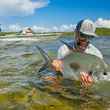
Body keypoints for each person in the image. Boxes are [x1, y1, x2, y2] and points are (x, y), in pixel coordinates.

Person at [52, 19, 104, 87]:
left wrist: (91, 85)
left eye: (90, 37)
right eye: (83, 35)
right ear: (75, 32)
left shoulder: (97, 54)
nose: (85, 40)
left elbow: (99, 79)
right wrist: (56, 69)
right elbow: (59, 73)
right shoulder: (63, 49)